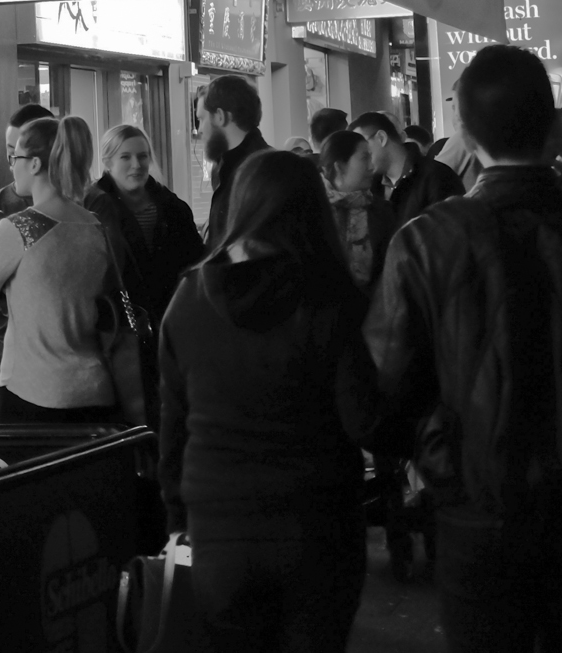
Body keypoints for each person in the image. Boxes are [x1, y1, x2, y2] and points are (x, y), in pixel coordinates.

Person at [366, 45, 562, 653]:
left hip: (475, 504)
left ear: (466, 136)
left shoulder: (425, 241)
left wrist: (437, 452)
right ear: (552, 130)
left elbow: (385, 396)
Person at [158, 150, 379, 653]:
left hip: (218, 524)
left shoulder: (189, 298)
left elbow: (174, 424)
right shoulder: (330, 297)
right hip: (317, 523)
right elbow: (363, 417)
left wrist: (176, 521)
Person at [0, 115, 121, 424]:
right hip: (95, 390)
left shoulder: (23, 226)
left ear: (35, 164)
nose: (13, 166)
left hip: (32, 392)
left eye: (16, 158)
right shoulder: (94, 225)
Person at [0, 103, 56, 421]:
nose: (11, 163)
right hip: (8, 346)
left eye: (17, 154)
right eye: (9, 152)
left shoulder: (88, 208)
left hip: (62, 357)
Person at [91, 123, 204, 326]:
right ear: (107, 162)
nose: (136, 165)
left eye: (142, 156)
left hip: (174, 320)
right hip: (119, 325)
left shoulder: (173, 207)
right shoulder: (94, 210)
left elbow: (194, 264)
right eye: (125, 157)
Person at [353, 110, 463, 227]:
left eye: (363, 147)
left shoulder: (438, 177)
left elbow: (450, 232)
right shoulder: (371, 186)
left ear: (381, 138)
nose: (360, 156)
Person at [318, 130, 396, 291]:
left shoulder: (383, 211)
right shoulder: (315, 210)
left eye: (370, 157)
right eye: (364, 158)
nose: (372, 166)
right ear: (339, 166)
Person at [200, 75, 269, 250]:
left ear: (220, 116)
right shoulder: (224, 168)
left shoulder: (262, 172)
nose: (199, 129)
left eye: (201, 119)